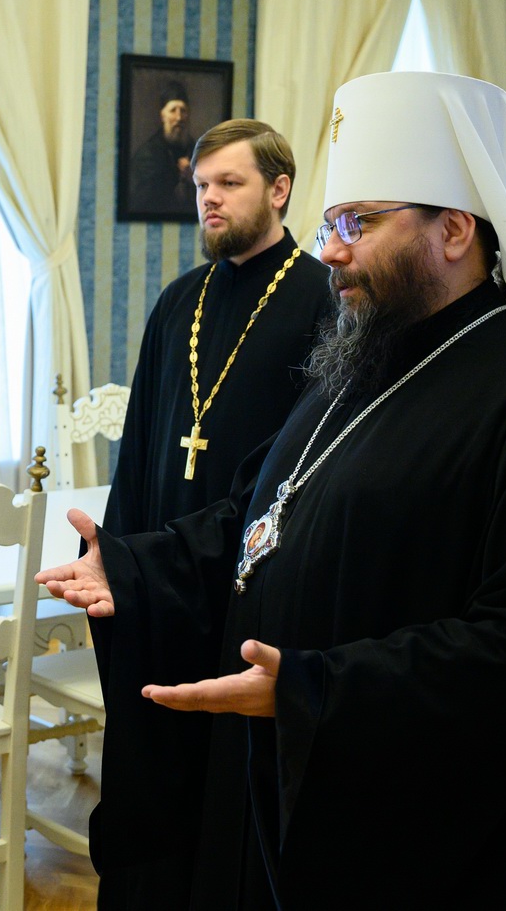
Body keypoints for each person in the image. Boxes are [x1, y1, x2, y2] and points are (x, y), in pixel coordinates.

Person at [40, 72, 506, 908]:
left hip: (403, 837)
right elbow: (262, 515)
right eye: (330, 224)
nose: (330, 251)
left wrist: (316, 689)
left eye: (360, 223)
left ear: (455, 229)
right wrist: (137, 569)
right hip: (275, 778)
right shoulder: (357, 361)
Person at [92, 118, 332, 906]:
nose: (210, 200)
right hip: (164, 586)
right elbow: (140, 449)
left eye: (229, 183)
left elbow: (305, 470)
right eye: (201, 186)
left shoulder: (322, 299)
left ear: (279, 189)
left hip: (251, 587)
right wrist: (120, 562)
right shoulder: (179, 302)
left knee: (226, 784)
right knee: (155, 766)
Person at [126, 81, 196, 214]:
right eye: (173, 110)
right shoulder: (148, 154)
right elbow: (143, 203)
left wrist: (192, 178)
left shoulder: (195, 149)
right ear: (163, 116)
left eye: (183, 111)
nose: (179, 117)